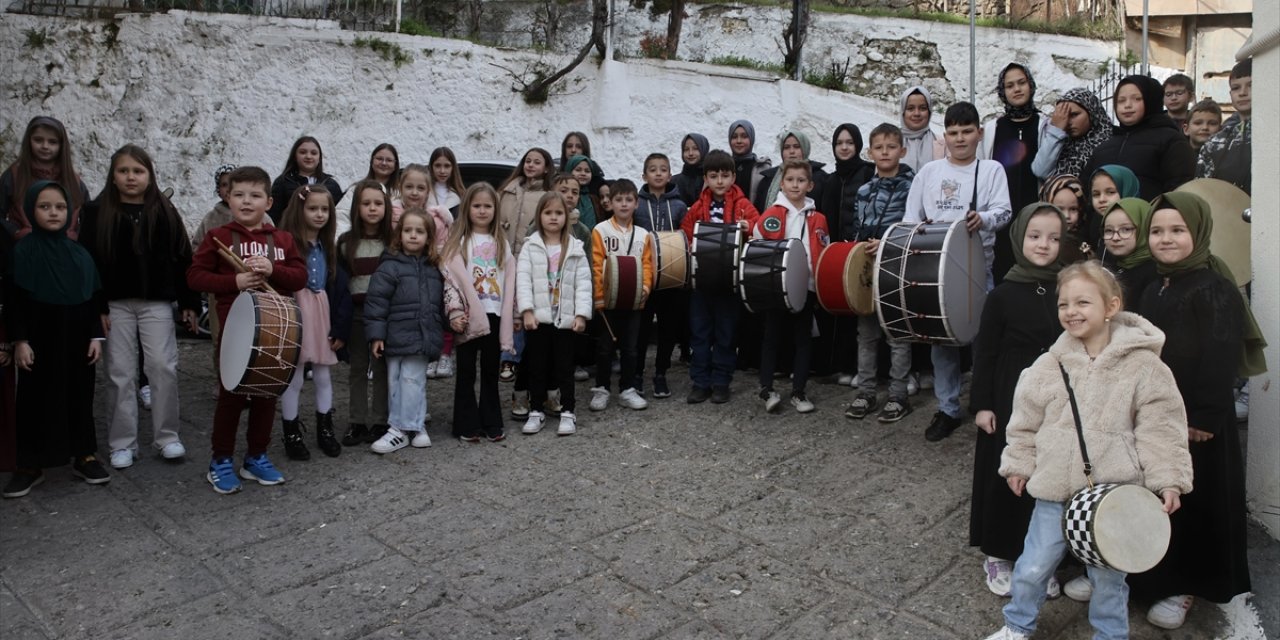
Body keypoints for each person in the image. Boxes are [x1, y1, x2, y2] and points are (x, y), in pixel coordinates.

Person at [986, 261, 1193, 640]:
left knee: (1110, 578)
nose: (1071, 312)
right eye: (1064, 304)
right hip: (1054, 489)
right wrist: (1018, 462)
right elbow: (1024, 420)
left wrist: (1168, 479)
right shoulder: (1049, 363)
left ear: (1111, 307)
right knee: (1033, 565)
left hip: (1113, 494)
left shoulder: (1144, 366)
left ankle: (1111, 634)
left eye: (1083, 302)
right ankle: (1017, 624)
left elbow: (1161, 427)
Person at [1122, 191, 1265, 629]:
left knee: (1197, 500)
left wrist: (1200, 417)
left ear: (1198, 233)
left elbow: (1220, 356)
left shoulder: (1214, 286)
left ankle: (1189, 585)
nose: (1166, 239)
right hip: (1155, 415)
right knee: (1158, 498)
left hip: (1196, 423)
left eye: (1178, 230)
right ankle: (1151, 576)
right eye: (1158, 231)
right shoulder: (1153, 283)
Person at [187, 166, 307, 495]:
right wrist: (234, 281)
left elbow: (299, 277)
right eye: (238, 194)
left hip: (273, 330)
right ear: (228, 198)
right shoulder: (218, 237)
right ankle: (221, 460)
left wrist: (274, 269)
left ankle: (256, 456)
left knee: (267, 393)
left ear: (268, 202)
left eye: (254, 195)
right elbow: (195, 277)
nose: (246, 201)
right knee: (232, 394)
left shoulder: (282, 240)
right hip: (235, 328)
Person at [78, 144, 199, 470]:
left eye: (138, 171)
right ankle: (122, 443)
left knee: (162, 367)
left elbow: (181, 257)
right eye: (123, 171)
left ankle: (167, 437)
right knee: (119, 373)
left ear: (149, 175)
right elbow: (88, 264)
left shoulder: (163, 210)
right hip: (114, 306)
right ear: (113, 176)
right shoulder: (95, 212)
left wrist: (188, 302)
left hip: (155, 304)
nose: (131, 177)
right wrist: (97, 307)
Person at [969, 203, 1067, 599]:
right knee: (1004, 470)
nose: (1044, 245)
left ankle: (1039, 555)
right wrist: (983, 404)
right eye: (1035, 235)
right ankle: (998, 552)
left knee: (1047, 474)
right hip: (1011, 393)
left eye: (1054, 238)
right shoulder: (1003, 294)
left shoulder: (1067, 286)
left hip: (1055, 396)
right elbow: (986, 352)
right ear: (1020, 237)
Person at [904, 101, 1012, 442]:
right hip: (935, 271)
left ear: (979, 133)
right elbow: (909, 219)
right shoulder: (929, 173)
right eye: (953, 132)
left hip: (980, 269)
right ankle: (948, 408)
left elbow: (1004, 210)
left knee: (984, 341)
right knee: (942, 343)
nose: (960, 138)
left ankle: (983, 404)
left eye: (967, 131)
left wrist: (985, 218)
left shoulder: (992, 169)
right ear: (945, 136)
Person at [1, 181, 109, 498]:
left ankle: (84, 454)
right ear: (31, 210)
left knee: (79, 395)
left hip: (76, 339)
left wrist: (95, 337)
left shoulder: (79, 255)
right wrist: (20, 341)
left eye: (60, 207)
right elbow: (15, 302)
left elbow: (92, 299)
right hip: (38, 340)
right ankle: (30, 465)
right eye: (44, 206)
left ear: (70, 213)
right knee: (34, 399)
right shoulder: (23, 252)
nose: (53, 212)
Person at [364, 208, 454, 454]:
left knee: (412, 380)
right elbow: (376, 302)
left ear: (429, 237)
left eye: (420, 231)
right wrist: (376, 335)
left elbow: (442, 302)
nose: (413, 236)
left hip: (422, 335)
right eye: (408, 230)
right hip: (395, 336)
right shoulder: (389, 266)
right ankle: (413, 427)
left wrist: (449, 325)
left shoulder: (435, 268)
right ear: (399, 234)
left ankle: (401, 430)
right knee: (396, 382)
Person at [844, 123, 915, 423]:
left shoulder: (912, 186)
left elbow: (913, 227)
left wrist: (885, 243)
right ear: (869, 153)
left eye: (890, 147)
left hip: (896, 268)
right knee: (866, 334)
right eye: (879, 147)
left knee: (897, 334)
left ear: (902, 150)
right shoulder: (863, 190)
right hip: (868, 269)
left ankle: (898, 395)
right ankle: (867, 391)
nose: (885, 152)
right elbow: (859, 227)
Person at [680, 150, 759, 404]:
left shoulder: (744, 206)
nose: (720, 181)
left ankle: (721, 382)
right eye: (714, 176)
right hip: (701, 282)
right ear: (706, 178)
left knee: (726, 333)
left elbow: (759, 231)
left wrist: (750, 229)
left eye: (725, 175)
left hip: (729, 282)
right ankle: (700, 382)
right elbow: (685, 233)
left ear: (734, 176)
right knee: (700, 333)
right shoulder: (697, 207)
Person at [752, 160, 828, 414]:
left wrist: (817, 285)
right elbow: (758, 242)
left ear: (810, 184)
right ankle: (766, 388)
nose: (796, 184)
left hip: (805, 287)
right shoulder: (773, 213)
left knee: (803, 339)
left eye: (801, 180)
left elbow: (823, 251)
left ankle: (799, 391)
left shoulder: (819, 218)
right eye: (791, 180)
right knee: (771, 335)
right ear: (782, 183)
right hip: (776, 286)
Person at [443, 182, 515, 443]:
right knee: (465, 370)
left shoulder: (501, 243)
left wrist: (512, 314)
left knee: (489, 370)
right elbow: (451, 280)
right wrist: (455, 312)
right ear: (467, 209)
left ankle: (491, 421)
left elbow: (509, 281)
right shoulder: (460, 242)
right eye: (477, 206)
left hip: (494, 313)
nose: (482, 211)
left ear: (495, 210)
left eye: (487, 206)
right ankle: (465, 422)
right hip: (469, 315)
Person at [516, 192, 591, 436]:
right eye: (548, 213)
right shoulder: (530, 246)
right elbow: (523, 281)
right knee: (537, 366)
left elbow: (583, 283)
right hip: (539, 318)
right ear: (539, 216)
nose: (553, 217)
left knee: (564, 367)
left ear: (567, 217)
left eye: (558, 213)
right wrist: (526, 311)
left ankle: (568, 411)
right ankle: (535, 410)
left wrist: (581, 315)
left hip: (566, 318)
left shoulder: (576, 248)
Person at [276, 185, 342, 460]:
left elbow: (333, 283)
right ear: (299, 210)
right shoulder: (287, 243)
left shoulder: (327, 245)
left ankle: (325, 429)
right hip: (297, 308)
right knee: (295, 375)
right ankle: (291, 432)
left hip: (321, 308)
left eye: (325, 209)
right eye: (313, 208)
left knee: (324, 373)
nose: (319, 214)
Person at [332, 180, 394, 446]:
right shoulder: (346, 243)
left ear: (386, 207)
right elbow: (341, 284)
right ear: (356, 208)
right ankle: (357, 421)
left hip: (385, 315)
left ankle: (381, 421)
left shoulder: (393, 242)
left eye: (378, 204)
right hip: (356, 314)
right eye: (366, 204)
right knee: (358, 368)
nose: (372, 209)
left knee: (381, 368)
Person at [980, 63, 1050, 283]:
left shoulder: (1044, 125)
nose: (1017, 89)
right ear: (1003, 92)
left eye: (1021, 83)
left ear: (1031, 85)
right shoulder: (993, 128)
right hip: (1002, 217)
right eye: (1009, 85)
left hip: (1034, 211)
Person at [589, 179, 653, 412]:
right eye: (618, 200)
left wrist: (645, 288)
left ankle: (628, 388)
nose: (623, 204)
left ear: (636, 203)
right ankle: (602, 388)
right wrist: (598, 295)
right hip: (608, 299)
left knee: (630, 347)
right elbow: (596, 265)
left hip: (634, 300)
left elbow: (647, 265)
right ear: (610, 203)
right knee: (606, 346)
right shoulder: (601, 230)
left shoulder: (643, 235)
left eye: (628, 200)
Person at [1080, 75, 1196, 201]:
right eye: (1121, 100)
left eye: (1137, 99)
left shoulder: (1172, 141)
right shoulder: (1105, 146)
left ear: (1151, 100)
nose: (1127, 105)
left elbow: (1179, 190)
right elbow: (1086, 188)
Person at [819, 123, 875, 384]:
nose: (844, 147)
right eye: (839, 142)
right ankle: (841, 366)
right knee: (839, 310)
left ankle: (859, 369)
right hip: (836, 254)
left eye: (849, 142)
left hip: (861, 252)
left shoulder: (868, 173)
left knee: (861, 311)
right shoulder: (830, 179)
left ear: (858, 146)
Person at [634, 152, 689, 398]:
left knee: (667, 329)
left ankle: (660, 374)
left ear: (669, 174)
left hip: (671, 278)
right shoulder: (635, 203)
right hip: (643, 278)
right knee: (641, 329)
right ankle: (636, 374)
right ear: (644, 175)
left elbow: (685, 238)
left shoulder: (679, 205)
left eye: (663, 169)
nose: (658, 173)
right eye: (653, 169)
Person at [497, 148, 554, 385]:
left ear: (546, 168)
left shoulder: (547, 194)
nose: (531, 165)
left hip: (530, 258)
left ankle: (512, 357)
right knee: (505, 309)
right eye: (528, 161)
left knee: (522, 309)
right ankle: (505, 354)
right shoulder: (508, 190)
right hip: (503, 257)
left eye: (537, 162)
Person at [394, 164, 454, 379]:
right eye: (409, 186)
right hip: (400, 278)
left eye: (420, 188)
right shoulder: (392, 214)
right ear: (400, 187)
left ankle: (437, 354)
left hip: (429, 274)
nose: (414, 192)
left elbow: (443, 248)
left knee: (433, 315)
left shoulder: (436, 218)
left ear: (428, 191)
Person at [0, 116, 91, 241]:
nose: (45, 146)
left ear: (61, 145)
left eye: (52, 142)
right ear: (29, 141)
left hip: (64, 251)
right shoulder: (14, 175)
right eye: (38, 140)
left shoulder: (73, 180)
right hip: (24, 249)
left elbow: (89, 217)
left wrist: (74, 235)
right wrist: (16, 232)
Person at [192, 164, 237, 384]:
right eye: (223, 185)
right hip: (220, 290)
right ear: (218, 190)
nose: (228, 189)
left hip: (252, 290)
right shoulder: (211, 219)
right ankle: (224, 381)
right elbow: (197, 247)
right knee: (221, 338)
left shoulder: (261, 216)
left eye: (233, 184)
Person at [1030, 88, 1112, 181]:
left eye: (1074, 115)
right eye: (1063, 116)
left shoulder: (1111, 141)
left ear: (1091, 112)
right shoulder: (1060, 143)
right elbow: (1040, 171)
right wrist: (1055, 131)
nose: (1067, 122)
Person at [1197, 59, 1252, 193]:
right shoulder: (1215, 142)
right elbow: (1201, 191)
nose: (1242, 92)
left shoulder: (1274, 136)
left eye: (1251, 85)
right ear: (1230, 94)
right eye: (1236, 88)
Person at [268, 136, 344, 224]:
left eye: (314, 153)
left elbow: (339, 217)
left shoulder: (331, 185)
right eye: (303, 152)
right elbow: (273, 217)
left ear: (319, 158)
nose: (308, 156)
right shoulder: (282, 182)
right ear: (295, 156)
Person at [752, 130, 828, 214]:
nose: (791, 151)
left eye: (796, 146)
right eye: (787, 147)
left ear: (805, 148)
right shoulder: (768, 179)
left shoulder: (820, 178)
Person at [1099, 198, 1157, 302]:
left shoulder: (1155, 274)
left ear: (1145, 229)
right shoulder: (1110, 264)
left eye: (1126, 229)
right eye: (1109, 230)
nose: (1115, 238)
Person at [1038, 175, 1089, 264]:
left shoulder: (1084, 239)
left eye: (1073, 209)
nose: (1066, 216)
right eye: (1060, 209)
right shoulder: (1040, 243)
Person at [899, 86, 945, 172]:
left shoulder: (943, 145)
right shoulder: (891, 143)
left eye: (922, 108)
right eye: (910, 108)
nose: (916, 113)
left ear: (929, 111)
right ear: (903, 112)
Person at [727, 120, 771, 203]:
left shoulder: (762, 168)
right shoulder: (723, 166)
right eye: (734, 137)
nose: (739, 141)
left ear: (751, 138)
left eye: (744, 136)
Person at [565, 155, 606, 229]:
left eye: (587, 171)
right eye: (578, 170)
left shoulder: (594, 198)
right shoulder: (564, 196)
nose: (583, 173)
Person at [426, 147, 465, 217]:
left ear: (453, 168)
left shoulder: (461, 195)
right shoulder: (424, 194)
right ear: (431, 167)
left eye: (447, 166)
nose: (442, 171)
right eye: (437, 166)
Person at [673, 133, 709, 206]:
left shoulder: (711, 179)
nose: (690, 153)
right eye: (686, 149)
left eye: (695, 148)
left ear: (703, 149)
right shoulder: (674, 182)